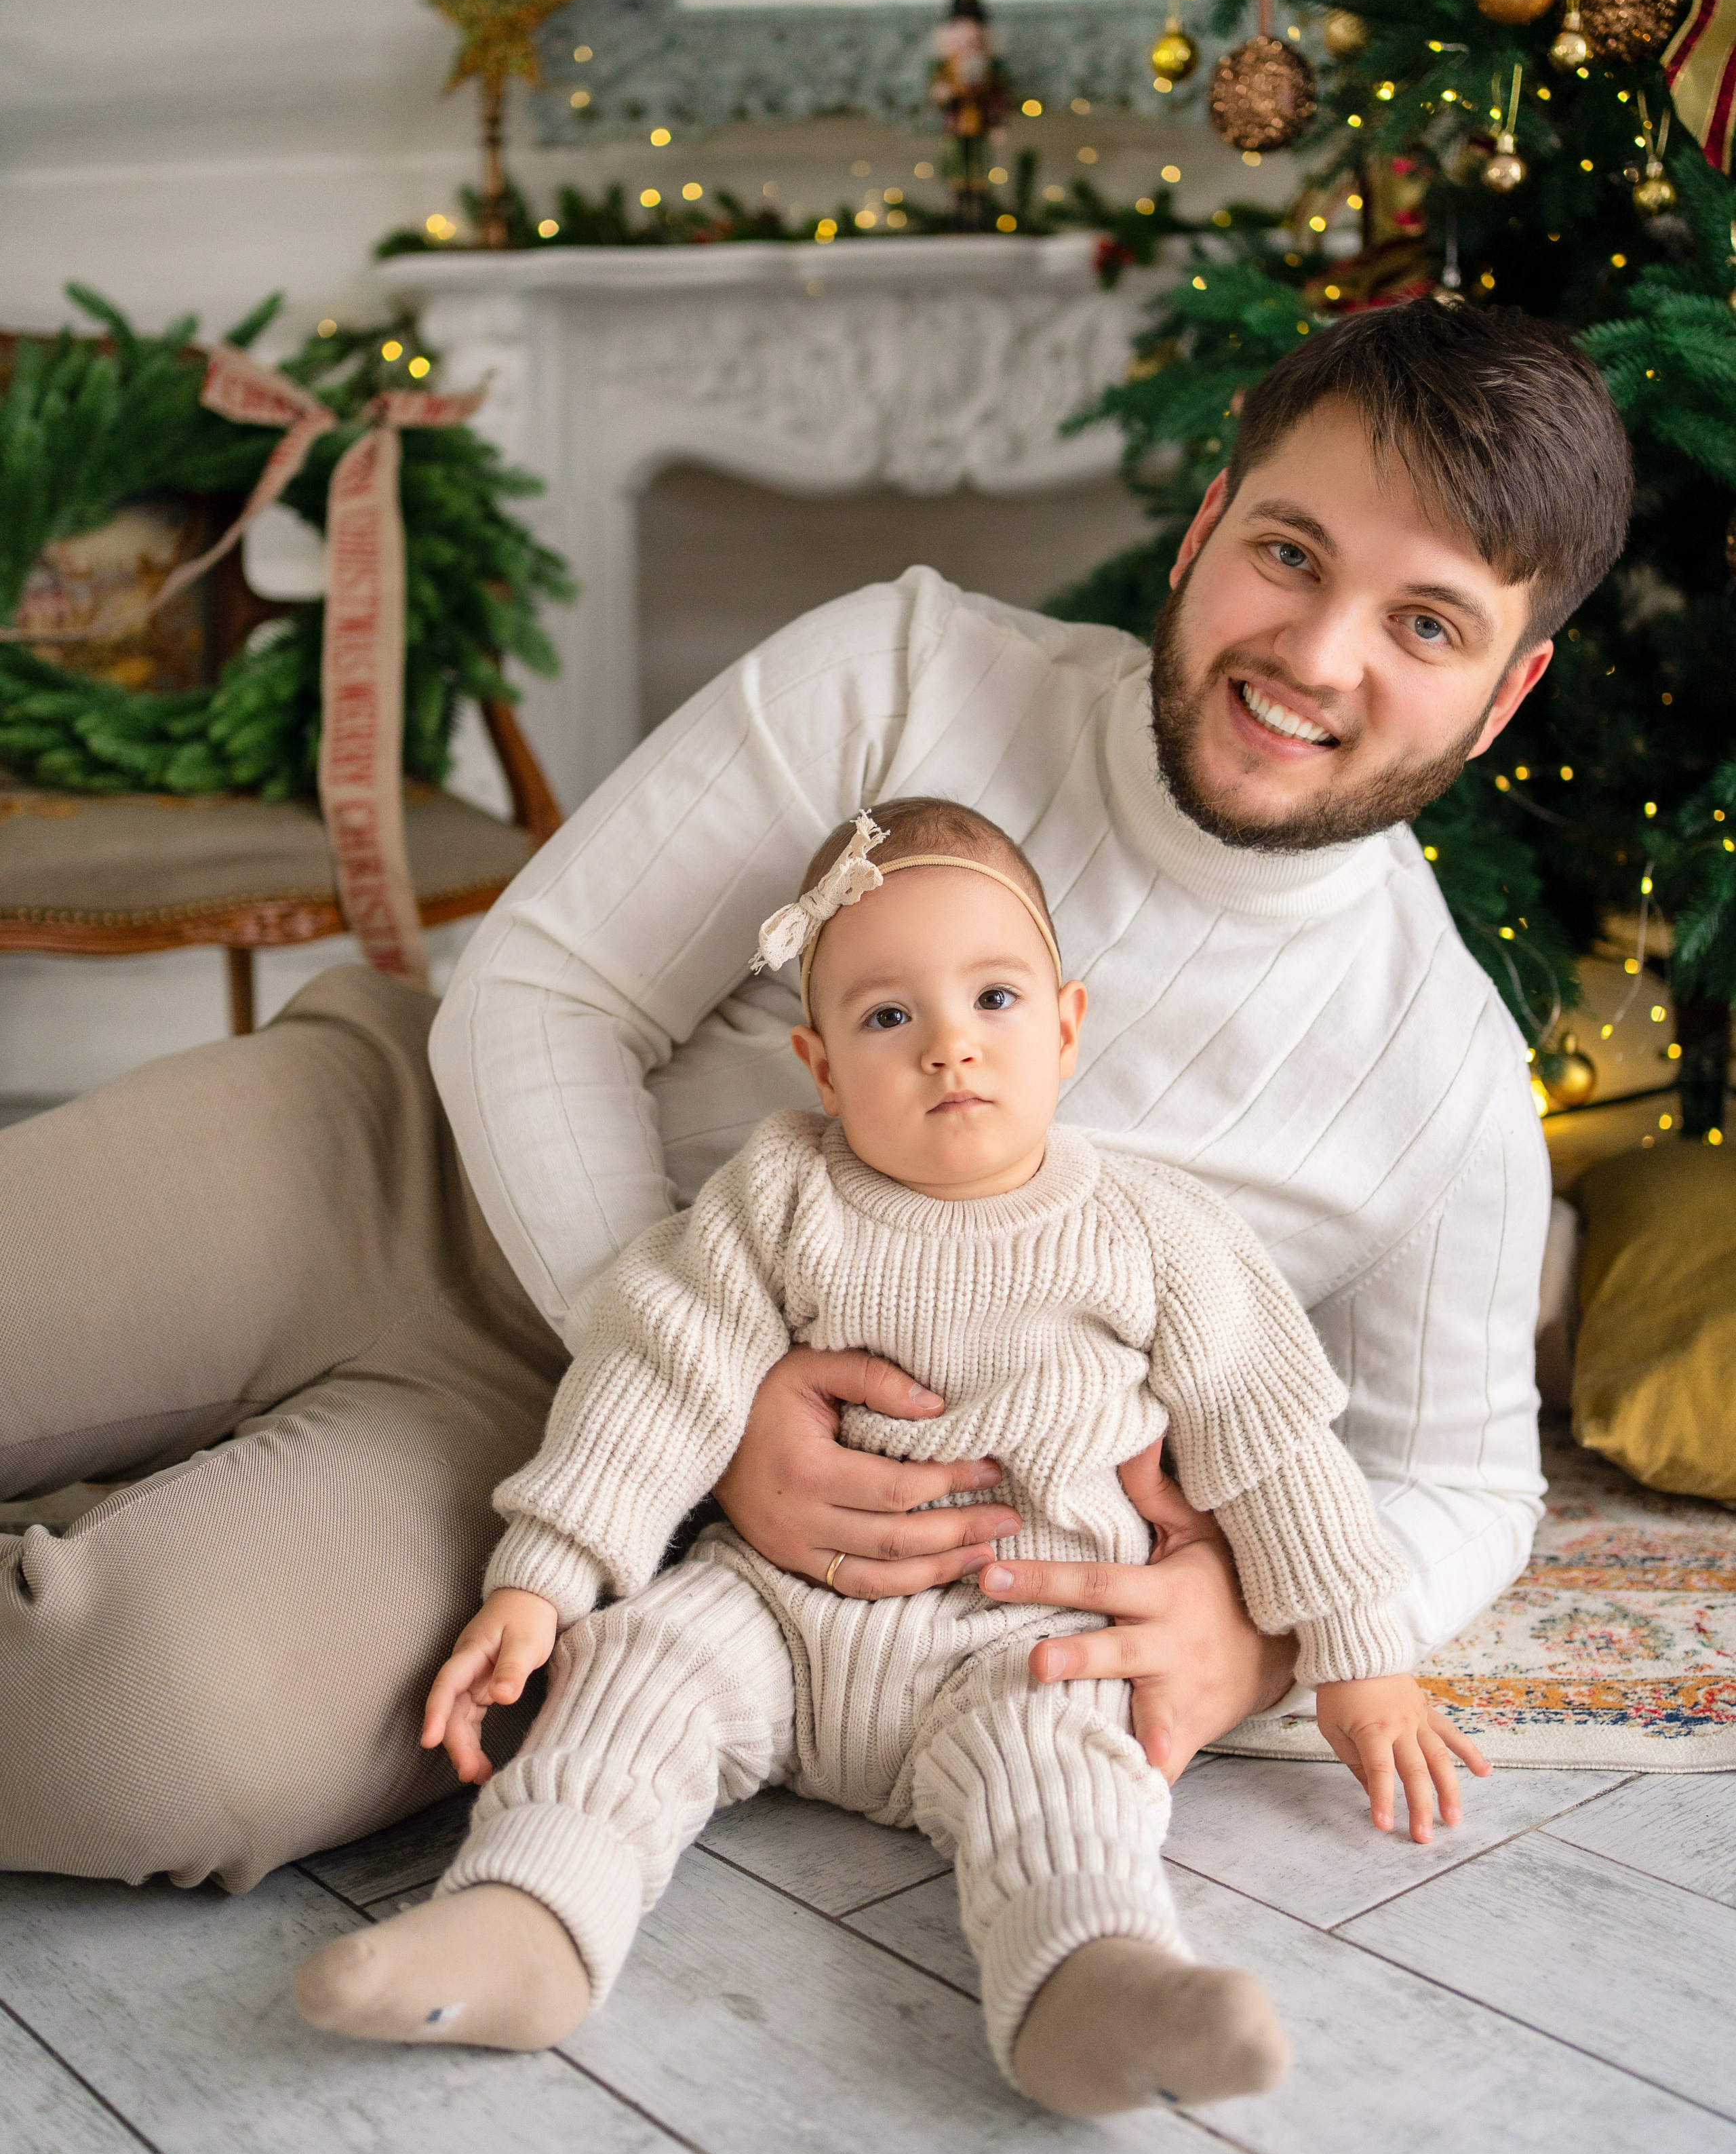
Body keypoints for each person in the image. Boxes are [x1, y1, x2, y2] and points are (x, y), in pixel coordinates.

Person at [0, 300, 1632, 1893]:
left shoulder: (1441, 1076)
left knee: (122, 1732)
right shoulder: (905, 670)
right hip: (405, 1166)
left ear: (1505, 695)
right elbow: (546, 988)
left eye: (1426, 626)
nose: (1318, 655)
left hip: (588, 1490)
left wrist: (1266, 1639)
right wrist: (708, 1403)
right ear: (1205, 528)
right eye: (1287, 552)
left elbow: (1462, 1482)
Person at [294, 800, 1487, 2113]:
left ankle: (1092, 1984)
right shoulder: (776, 1195)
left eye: (993, 998)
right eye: (887, 1016)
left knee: (1068, 1776)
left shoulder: (1156, 1234)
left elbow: (1272, 1449)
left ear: (1066, 1027)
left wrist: (1359, 1661)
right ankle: (524, 1921)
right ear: (818, 1065)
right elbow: (657, 1380)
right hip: (776, 1614)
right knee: (631, 1677)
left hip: (1019, 1638)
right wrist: (542, 1579)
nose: (947, 1046)